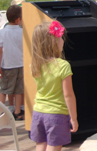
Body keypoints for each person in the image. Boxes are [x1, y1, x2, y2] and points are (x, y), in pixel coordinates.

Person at [30, 21, 78, 150]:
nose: (63, 40)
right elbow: (68, 95)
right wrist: (74, 118)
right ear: (53, 42)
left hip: (38, 112)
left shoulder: (35, 65)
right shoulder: (63, 66)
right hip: (57, 115)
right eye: (60, 37)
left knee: (40, 145)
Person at [0, 5, 24, 120]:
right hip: (21, 64)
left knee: (4, 89)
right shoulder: (22, 32)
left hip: (7, 65)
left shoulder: (2, 32)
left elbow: (0, 51)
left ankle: (2, 112)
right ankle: (18, 111)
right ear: (18, 19)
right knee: (19, 90)